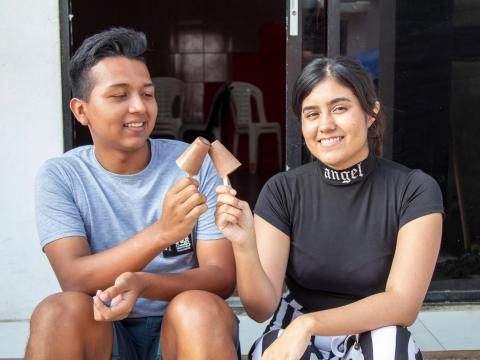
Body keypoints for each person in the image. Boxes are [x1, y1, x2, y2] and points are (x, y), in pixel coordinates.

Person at [26, 27, 239, 360]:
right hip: (103, 328)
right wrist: (162, 233)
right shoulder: (62, 176)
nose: (139, 107)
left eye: (148, 93)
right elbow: (73, 277)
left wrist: (144, 283)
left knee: (199, 309)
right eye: (120, 95)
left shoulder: (194, 165)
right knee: (58, 311)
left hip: (181, 331)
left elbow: (221, 277)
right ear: (81, 111)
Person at [215, 57, 443, 360]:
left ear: (370, 112)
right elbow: (260, 310)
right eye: (312, 113)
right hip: (292, 330)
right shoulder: (282, 190)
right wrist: (244, 244)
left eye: (340, 108)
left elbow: (404, 305)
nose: (325, 125)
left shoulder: (413, 190)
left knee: (390, 348)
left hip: (375, 327)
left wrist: (310, 325)